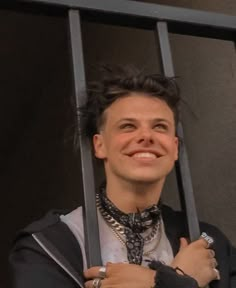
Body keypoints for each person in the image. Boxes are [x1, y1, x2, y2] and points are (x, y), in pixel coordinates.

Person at [9, 65, 236, 288]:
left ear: (174, 147)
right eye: (128, 126)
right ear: (100, 145)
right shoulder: (50, 244)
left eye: (159, 127)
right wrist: (176, 281)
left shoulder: (208, 243)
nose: (146, 136)